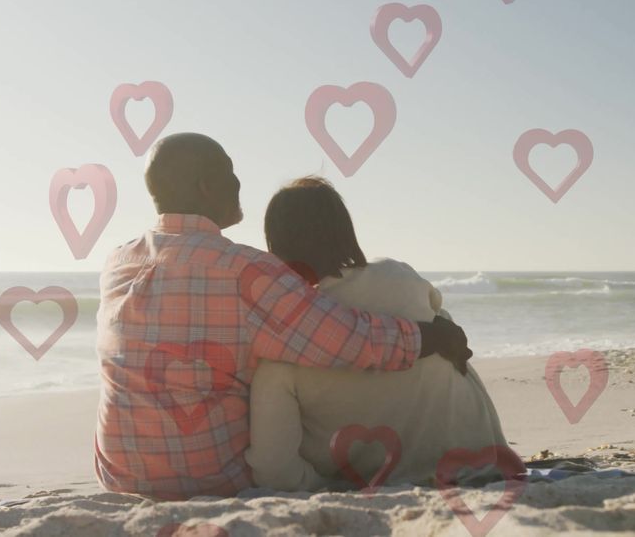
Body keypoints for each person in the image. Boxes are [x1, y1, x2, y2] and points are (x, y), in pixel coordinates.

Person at [94, 133, 472, 500]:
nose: (239, 181)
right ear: (207, 185)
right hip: (213, 479)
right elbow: (347, 340)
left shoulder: (117, 262)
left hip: (120, 476)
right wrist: (432, 336)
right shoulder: (246, 270)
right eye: (230, 171)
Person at [245, 176, 510, 491]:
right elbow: (438, 313)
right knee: (442, 323)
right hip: (489, 465)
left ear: (275, 244)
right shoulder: (397, 277)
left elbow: (275, 471)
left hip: (386, 481)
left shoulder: (283, 343)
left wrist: (329, 488)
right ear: (344, 231)